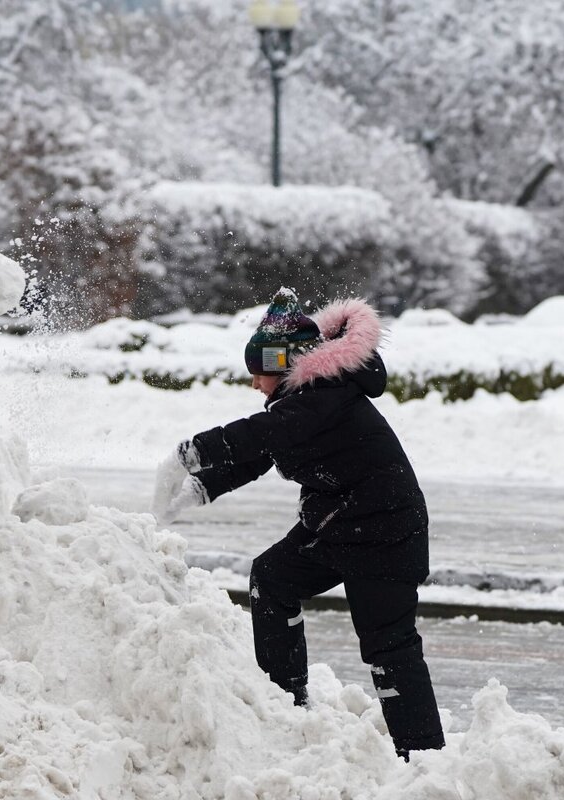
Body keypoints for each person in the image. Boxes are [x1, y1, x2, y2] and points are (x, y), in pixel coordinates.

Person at [153, 288, 445, 761]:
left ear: (285, 363)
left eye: (259, 373)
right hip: (338, 527)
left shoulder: (322, 397)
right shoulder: (306, 400)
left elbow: (262, 434)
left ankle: (424, 755)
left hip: (385, 535)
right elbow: (265, 452)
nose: (254, 384)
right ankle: (285, 699)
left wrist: (188, 455)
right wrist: (198, 490)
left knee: (389, 647)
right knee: (272, 579)